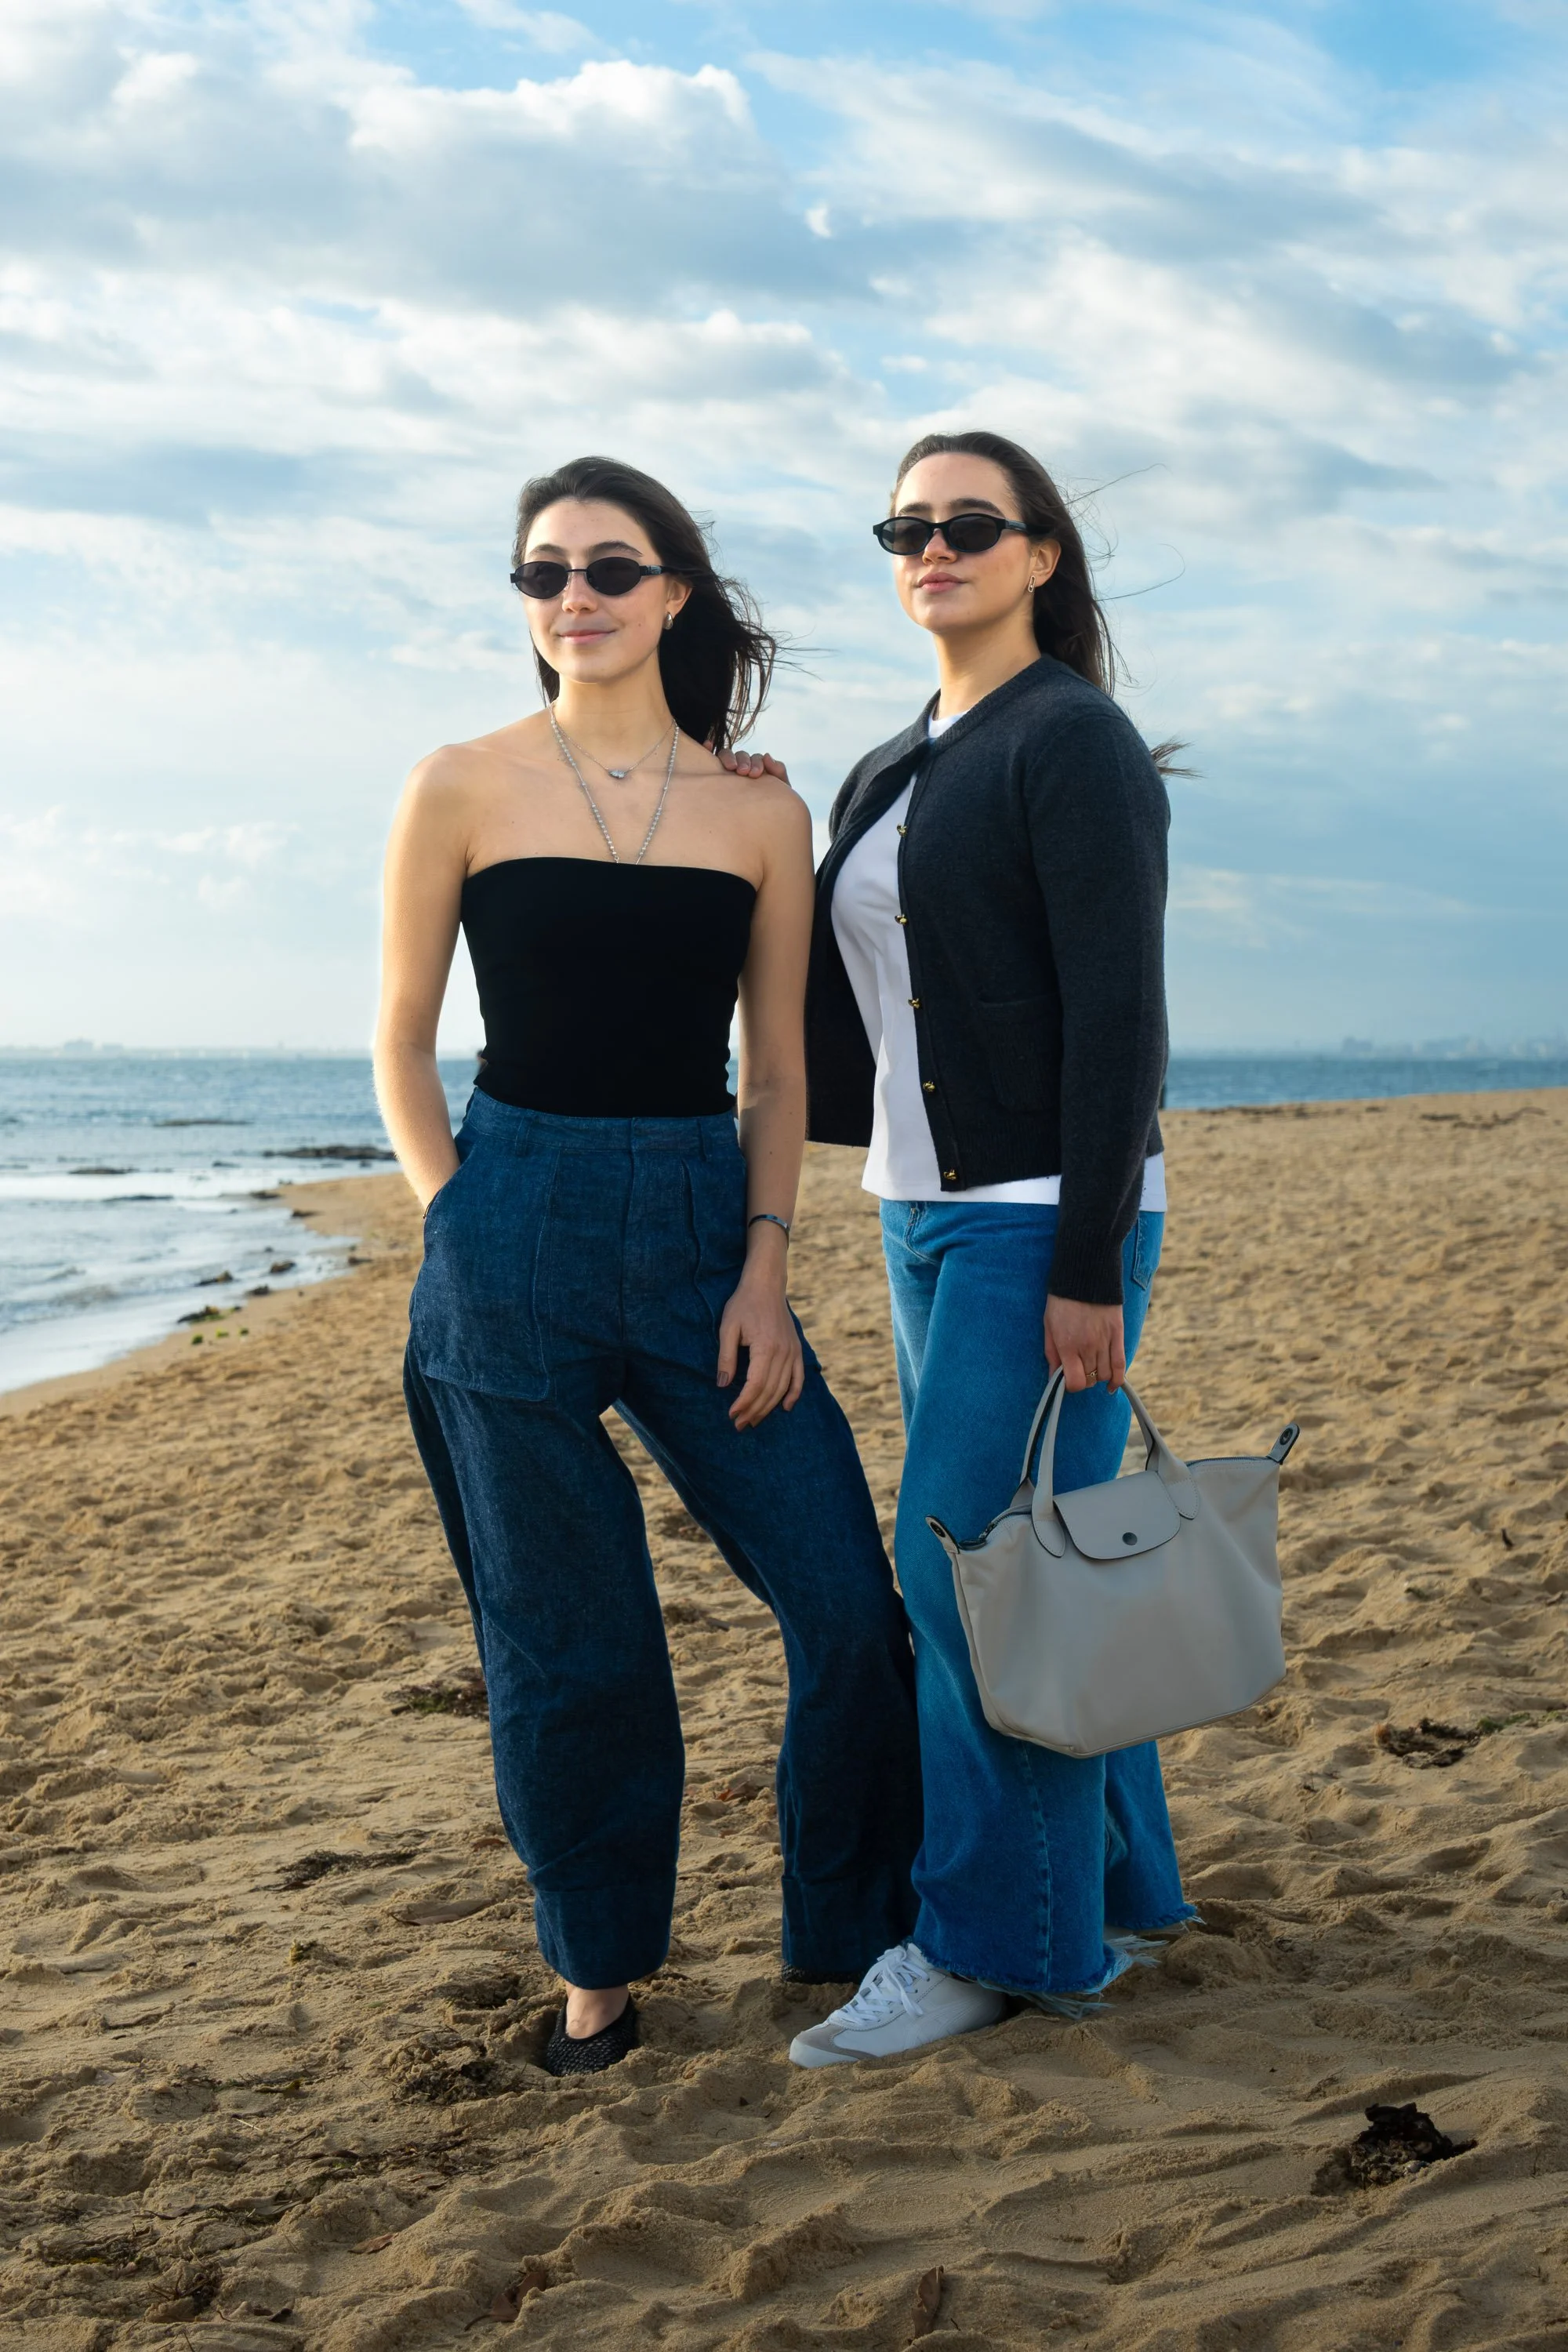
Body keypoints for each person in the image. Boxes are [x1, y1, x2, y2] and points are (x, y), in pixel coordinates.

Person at [373, 455, 921, 2078]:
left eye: (609, 569)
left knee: (844, 1605)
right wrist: (453, 1213)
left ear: (674, 591)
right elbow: (400, 1040)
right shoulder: (459, 783)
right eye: (543, 574)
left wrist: (764, 1267)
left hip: (700, 1229)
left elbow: (780, 1076)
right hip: (507, 1215)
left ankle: (849, 1926)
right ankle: (598, 1975)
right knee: (568, 1635)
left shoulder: (761, 806)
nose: (575, 599)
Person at [783, 428, 1193, 2064]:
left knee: (965, 1578)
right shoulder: (889, 765)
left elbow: (1120, 1022)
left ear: (1039, 555)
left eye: (968, 523)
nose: (930, 546)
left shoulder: (1072, 742)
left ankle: (991, 1946)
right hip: (922, 1213)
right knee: (1041, 1568)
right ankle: (1115, 1889)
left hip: (1040, 1224)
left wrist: (1090, 1259)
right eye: (906, 524)